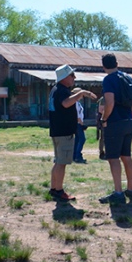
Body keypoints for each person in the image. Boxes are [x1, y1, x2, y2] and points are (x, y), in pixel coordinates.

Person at [48, 65, 95, 202]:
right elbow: (66, 103)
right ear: (64, 77)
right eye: (72, 75)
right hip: (63, 132)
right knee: (61, 163)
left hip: (58, 131)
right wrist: (81, 94)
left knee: (58, 162)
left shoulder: (56, 90)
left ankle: (53, 188)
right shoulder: (62, 91)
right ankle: (59, 191)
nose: (74, 78)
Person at [98, 54, 132, 204]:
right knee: (126, 156)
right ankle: (131, 188)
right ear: (116, 63)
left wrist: (104, 119)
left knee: (113, 158)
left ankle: (118, 192)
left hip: (115, 122)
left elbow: (109, 102)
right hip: (129, 120)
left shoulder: (108, 79)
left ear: (103, 66)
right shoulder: (128, 78)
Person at [72, 95, 87, 163]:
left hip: (78, 123)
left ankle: (74, 155)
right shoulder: (75, 103)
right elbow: (77, 115)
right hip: (77, 123)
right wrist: (81, 124)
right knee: (82, 139)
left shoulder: (77, 103)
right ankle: (77, 155)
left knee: (77, 139)